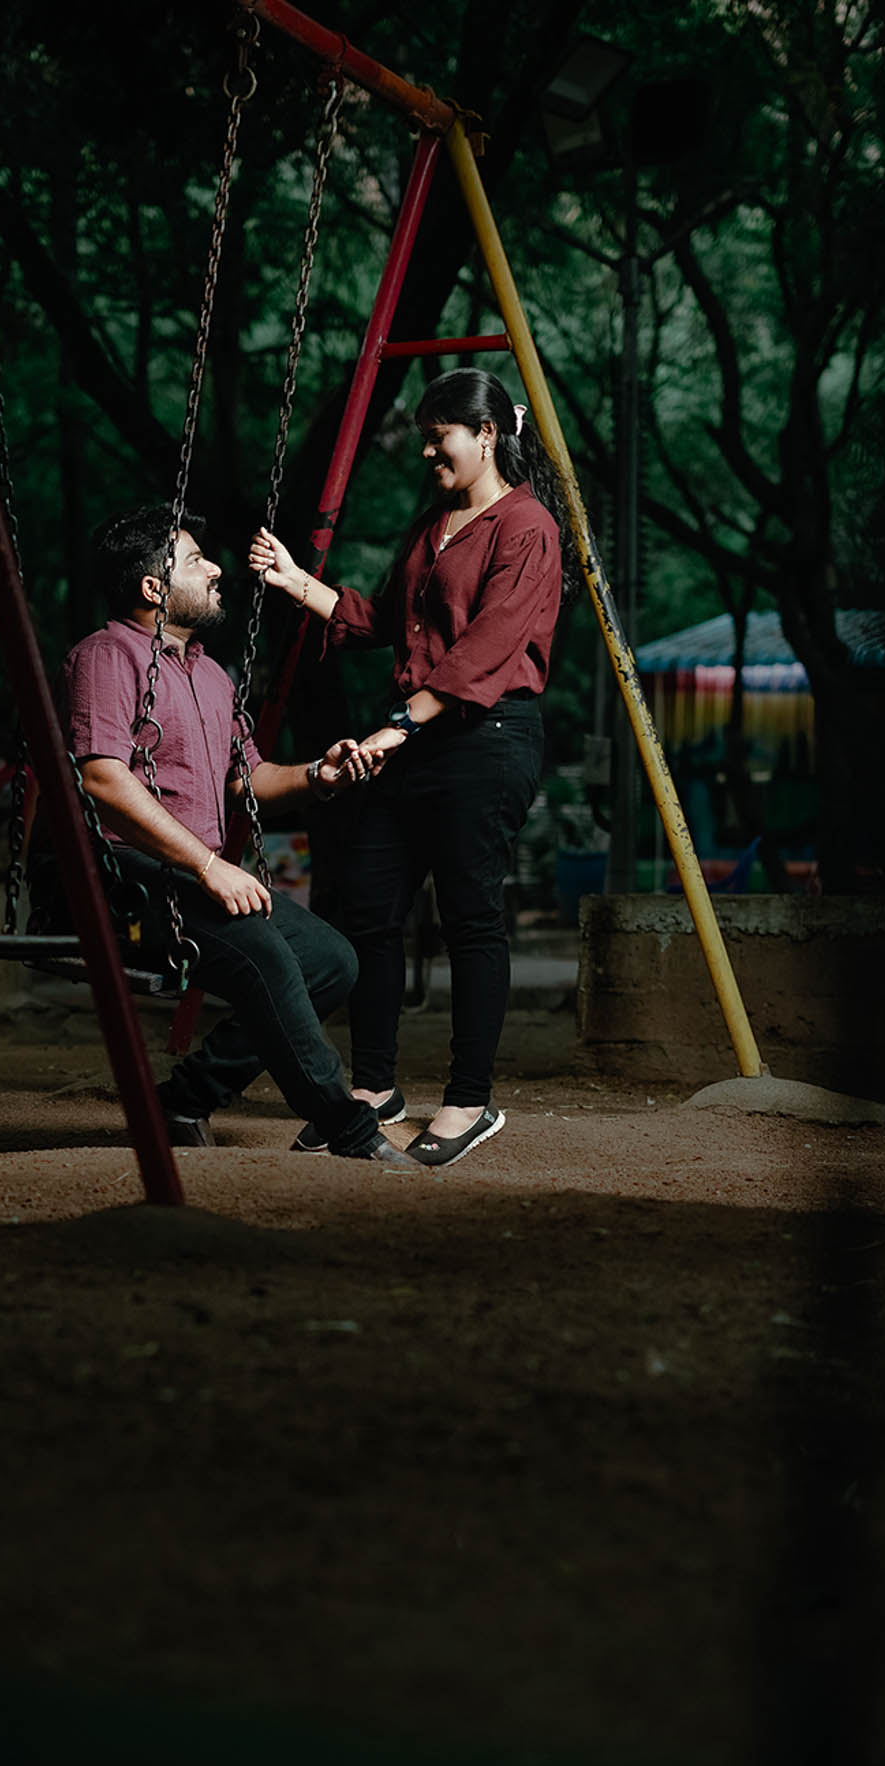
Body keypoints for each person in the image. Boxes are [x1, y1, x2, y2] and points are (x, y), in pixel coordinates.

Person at [249, 368, 568, 1167]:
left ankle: (468, 1100)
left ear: (487, 434)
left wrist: (400, 726)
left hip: (487, 735)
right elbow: (388, 620)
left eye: (440, 436)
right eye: (426, 437)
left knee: (469, 915)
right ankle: (375, 1088)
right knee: (371, 910)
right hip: (418, 736)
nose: (429, 451)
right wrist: (296, 584)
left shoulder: (526, 526)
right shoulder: (435, 526)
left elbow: (488, 645)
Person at [38, 504, 418, 1167]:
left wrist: (319, 775)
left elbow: (249, 778)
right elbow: (102, 779)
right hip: (125, 878)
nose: (216, 569)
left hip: (193, 876)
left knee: (333, 961)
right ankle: (348, 1129)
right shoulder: (106, 656)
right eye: (194, 561)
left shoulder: (211, 673)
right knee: (267, 958)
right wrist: (209, 868)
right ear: (153, 588)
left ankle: (182, 1099)